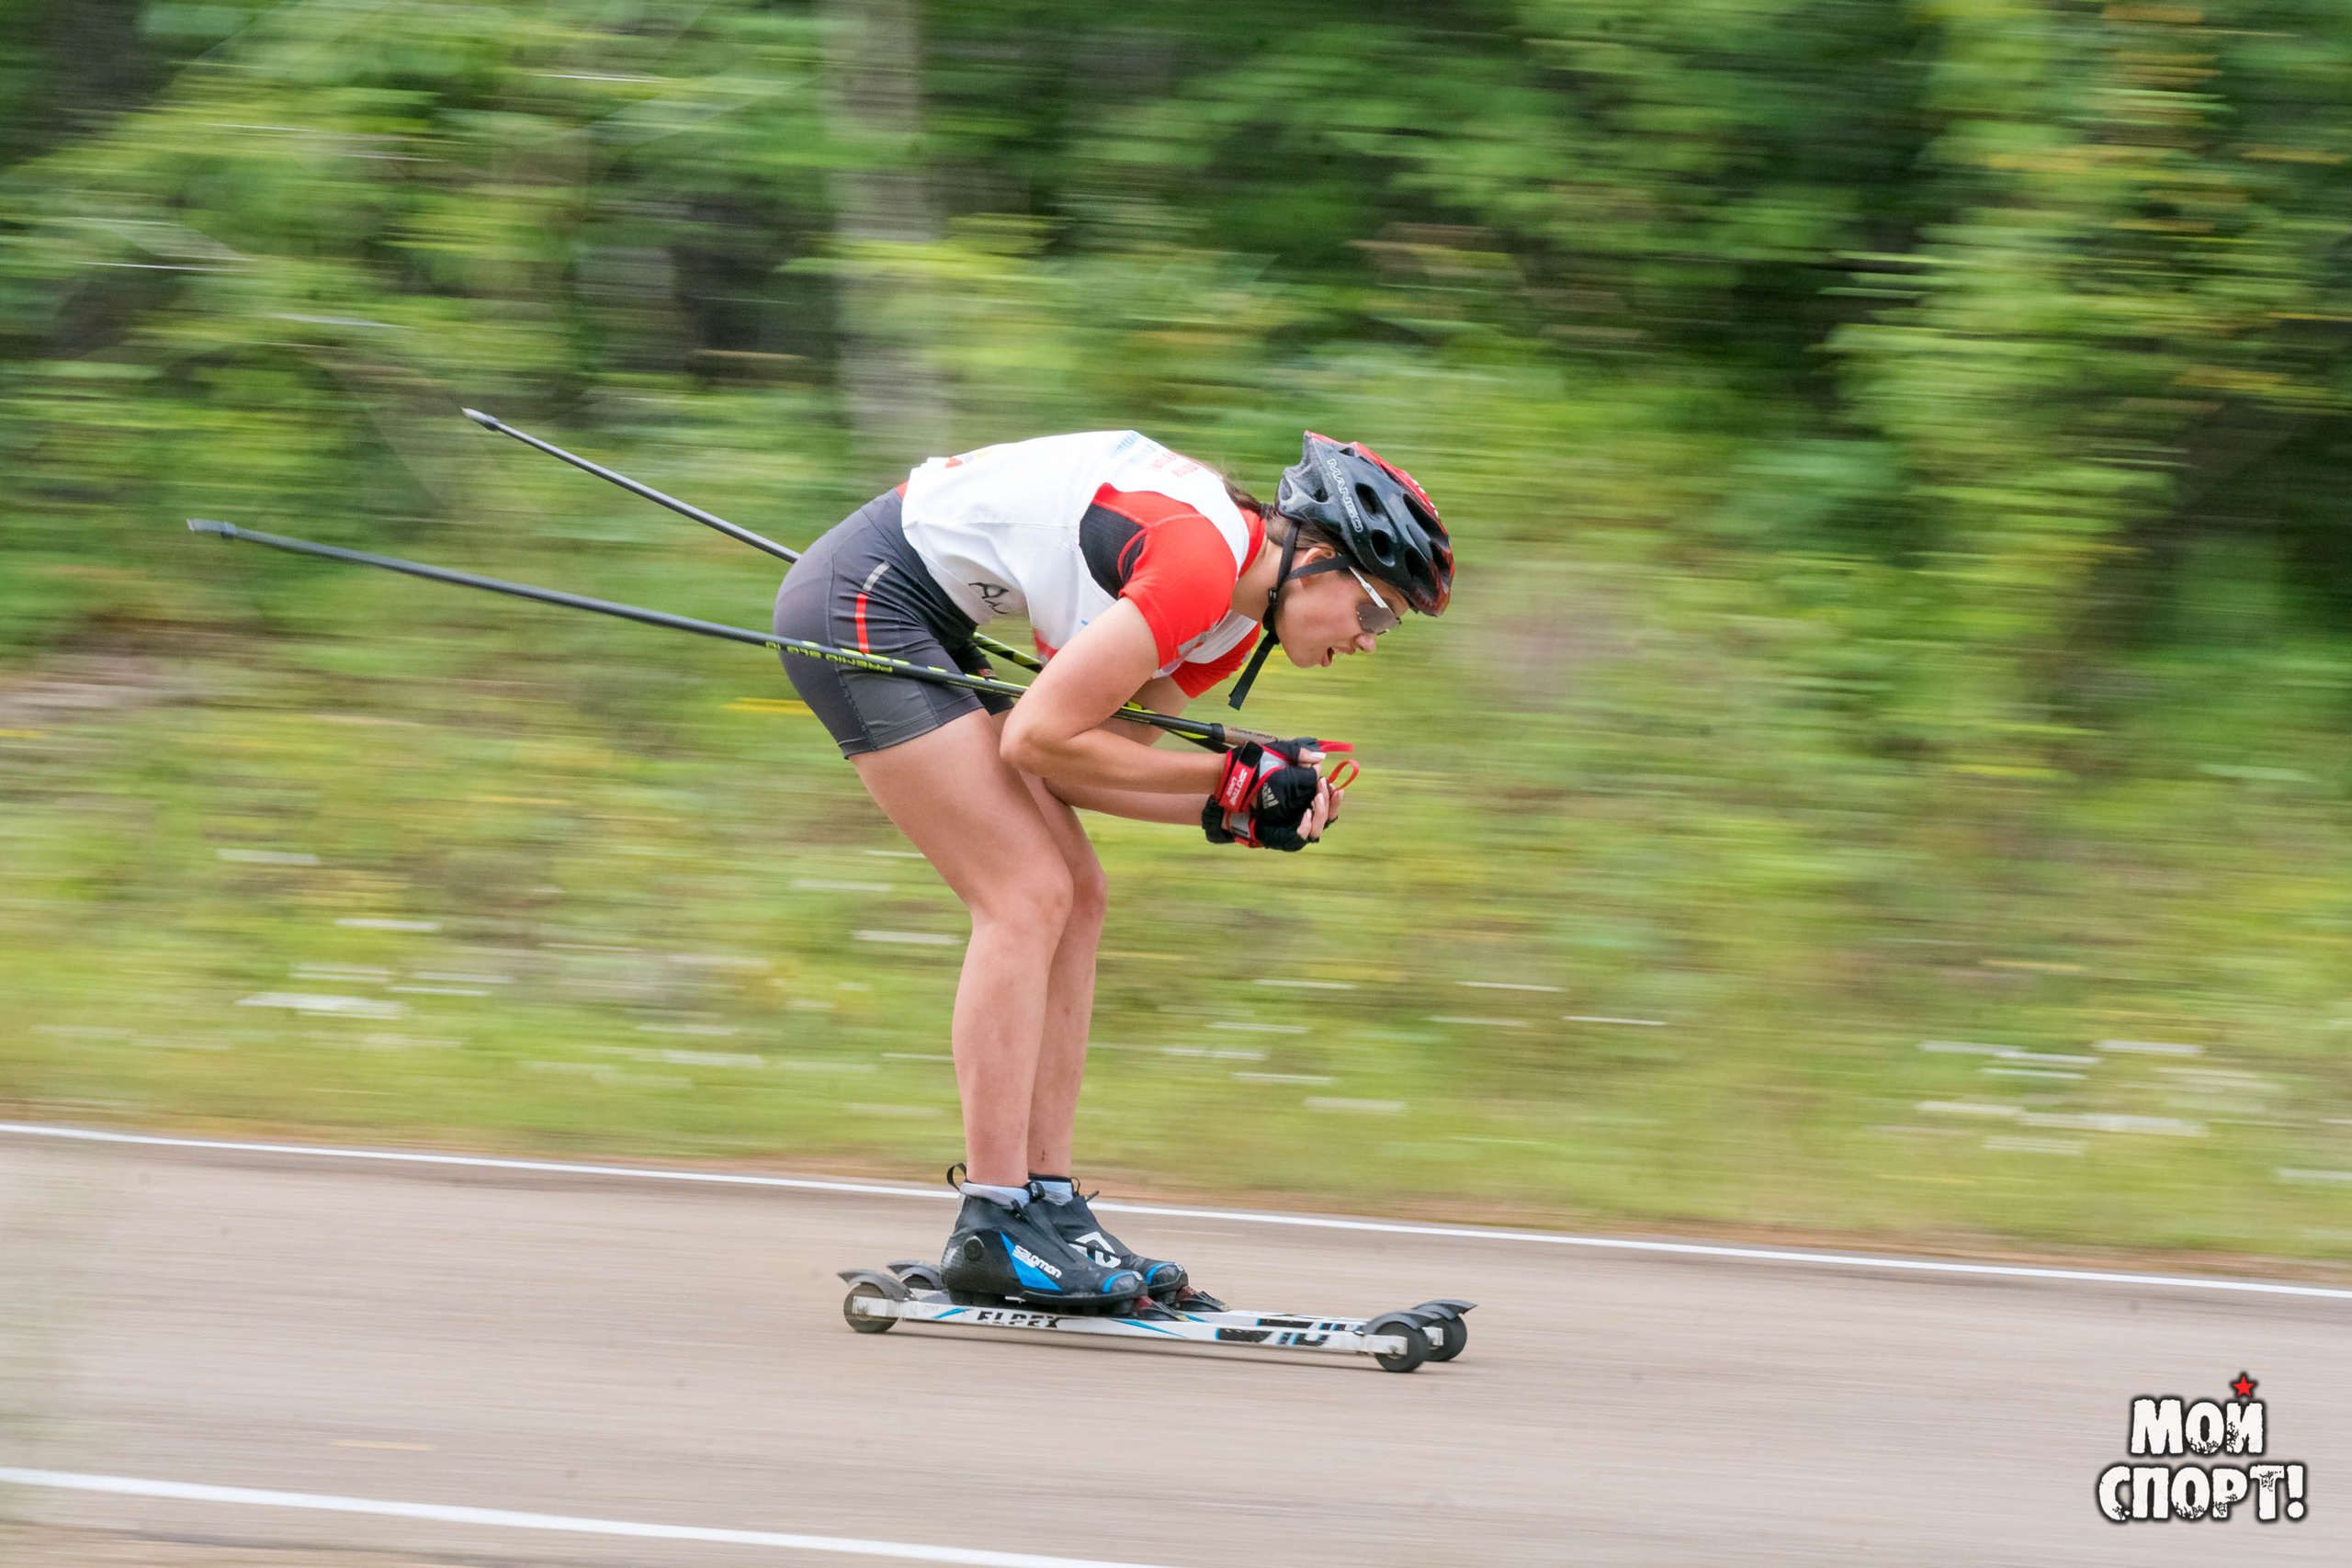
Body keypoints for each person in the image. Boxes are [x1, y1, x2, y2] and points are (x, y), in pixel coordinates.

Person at [773, 430, 1452, 1310]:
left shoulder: (1232, 619)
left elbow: (1082, 764)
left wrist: (1245, 804)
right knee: (1025, 890)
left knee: (1079, 895)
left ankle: (1049, 1208)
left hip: (928, 612)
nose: (1371, 641)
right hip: (866, 596)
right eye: (1378, 612)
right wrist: (1224, 782)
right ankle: (993, 1218)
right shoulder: (1203, 561)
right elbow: (1039, 738)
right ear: (1317, 560)